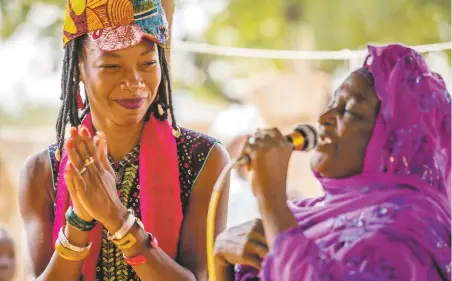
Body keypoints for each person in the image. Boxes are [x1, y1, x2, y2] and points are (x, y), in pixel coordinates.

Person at [18, 1, 230, 281]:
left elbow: (200, 277)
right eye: (112, 66)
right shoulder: (42, 171)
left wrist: (116, 217)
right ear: (79, 66)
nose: (134, 82)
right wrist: (80, 218)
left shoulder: (204, 159)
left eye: (147, 63)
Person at [213, 44, 451, 281]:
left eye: (350, 111)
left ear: (394, 139)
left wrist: (272, 198)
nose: (324, 119)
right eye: (332, 105)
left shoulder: (410, 226)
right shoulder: (306, 214)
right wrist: (221, 260)